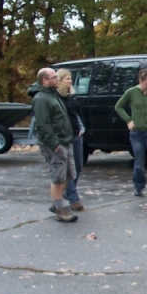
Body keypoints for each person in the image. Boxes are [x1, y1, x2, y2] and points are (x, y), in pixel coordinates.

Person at [29, 67, 78, 222]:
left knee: (70, 174)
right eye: (54, 77)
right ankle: (60, 209)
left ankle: (55, 204)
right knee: (58, 177)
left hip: (65, 140)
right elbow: (43, 124)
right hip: (54, 143)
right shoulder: (41, 99)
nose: (57, 79)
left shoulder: (53, 95)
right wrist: (54, 144)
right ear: (45, 80)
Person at [114, 68, 147, 199]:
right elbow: (118, 106)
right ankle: (138, 186)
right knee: (139, 161)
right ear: (140, 81)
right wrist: (128, 120)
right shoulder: (131, 92)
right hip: (137, 131)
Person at [56, 69, 86, 212]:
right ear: (60, 80)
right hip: (64, 136)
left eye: (70, 78)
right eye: (67, 78)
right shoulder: (56, 98)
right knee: (69, 167)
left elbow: (78, 113)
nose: (70, 81)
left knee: (78, 165)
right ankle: (74, 198)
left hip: (76, 134)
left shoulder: (72, 96)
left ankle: (68, 191)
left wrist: (82, 127)